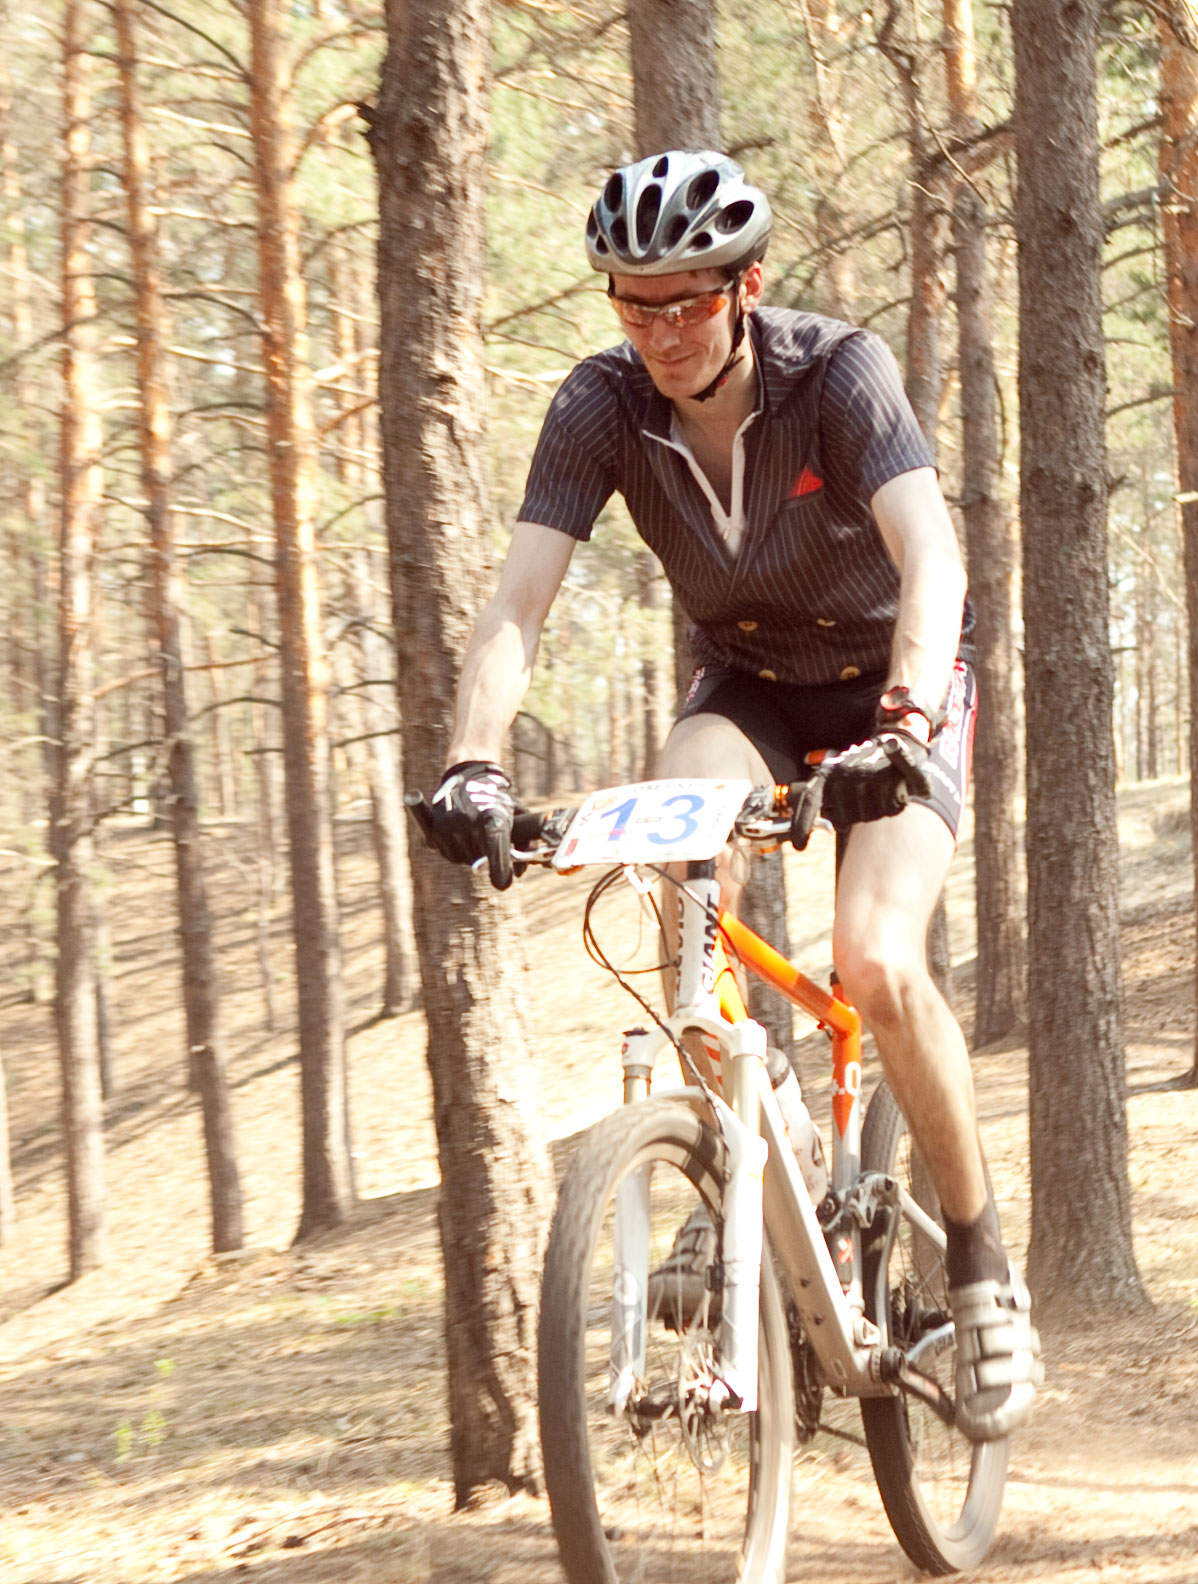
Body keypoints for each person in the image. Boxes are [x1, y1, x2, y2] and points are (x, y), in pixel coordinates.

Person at [424, 149, 1041, 1441]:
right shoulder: (600, 408)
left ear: (745, 288)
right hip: (751, 688)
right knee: (683, 905)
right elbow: (518, 600)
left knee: (875, 959)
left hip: (893, 687)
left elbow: (932, 554)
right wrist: (473, 759)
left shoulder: (838, 375)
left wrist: (906, 720)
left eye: (686, 303)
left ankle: (983, 1275)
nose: (657, 333)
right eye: (632, 305)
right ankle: (750, 1161)